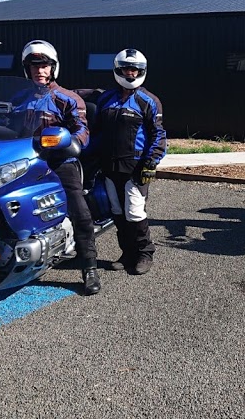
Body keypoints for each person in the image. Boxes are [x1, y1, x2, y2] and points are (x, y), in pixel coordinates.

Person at [16, 39, 101, 294]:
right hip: (25, 161)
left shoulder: (68, 99)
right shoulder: (18, 98)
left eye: (44, 66)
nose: (39, 71)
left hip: (60, 160)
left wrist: (73, 143)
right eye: (34, 66)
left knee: (80, 211)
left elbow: (82, 130)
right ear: (27, 69)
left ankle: (89, 266)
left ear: (53, 68)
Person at [89, 48, 166, 275]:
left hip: (136, 167)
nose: (130, 74)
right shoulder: (105, 99)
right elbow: (96, 132)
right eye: (126, 69)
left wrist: (150, 163)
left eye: (134, 70)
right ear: (118, 70)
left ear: (141, 71)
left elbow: (158, 135)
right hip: (109, 166)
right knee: (117, 211)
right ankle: (127, 253)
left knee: (134, 211)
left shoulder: (149, 101)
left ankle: (145, 253)